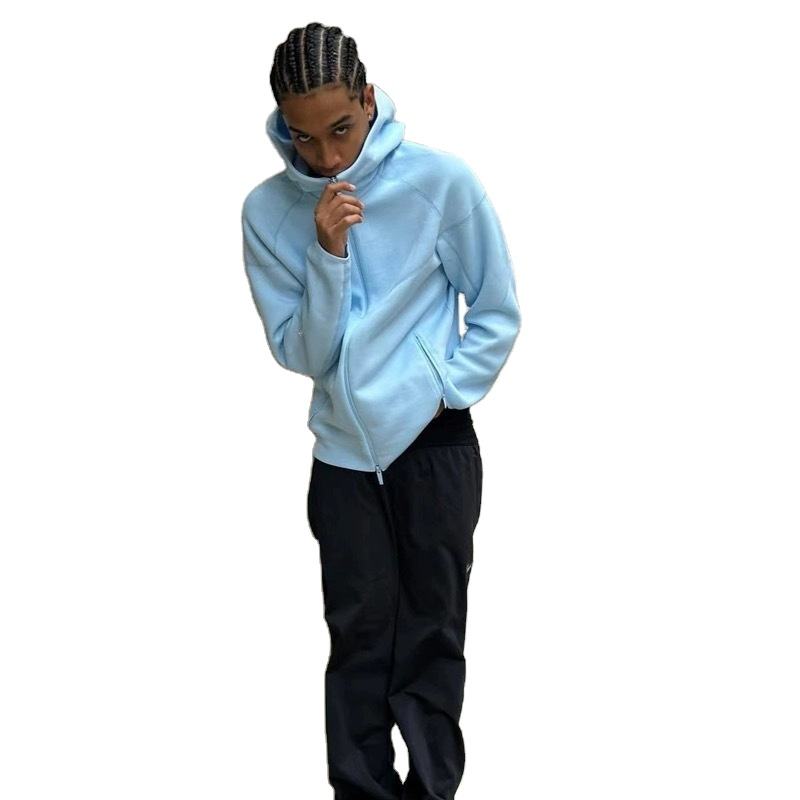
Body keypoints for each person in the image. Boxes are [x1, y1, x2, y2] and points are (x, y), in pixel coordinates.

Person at [241, 22, 521, 800]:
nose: (327, 157)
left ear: (367, 99)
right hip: (342, 459)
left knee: (432, 635)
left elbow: (496, 309)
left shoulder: (440, 183)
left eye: (340, 129)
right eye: (304, 138)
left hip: (433, 447)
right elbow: (302, 353)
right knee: (358, 639)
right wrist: (326, 254)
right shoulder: (267, 211)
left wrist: (443, 388)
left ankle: (432, 792)